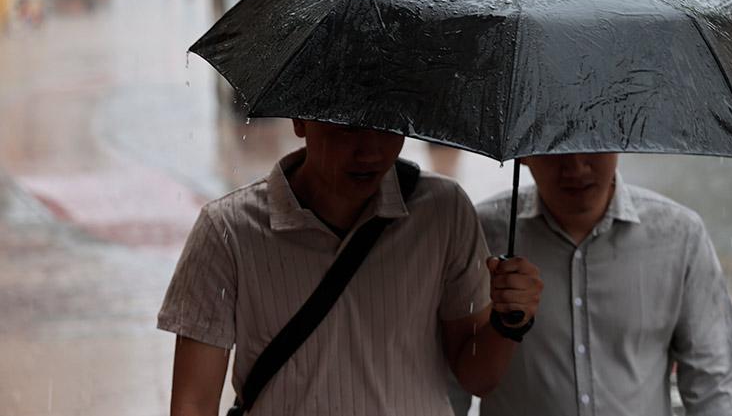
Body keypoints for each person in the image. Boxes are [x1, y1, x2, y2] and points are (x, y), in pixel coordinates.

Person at [159, 119, 543, 416]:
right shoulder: (227, 230)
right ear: (300, 120)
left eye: (387, 125)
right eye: (347, 127)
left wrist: (509, 321)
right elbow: (193, 403)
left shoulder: (444, 212)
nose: (369, 150)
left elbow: (477, 377)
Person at [451, 152, 732, 416]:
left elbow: (715, 381)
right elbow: (450, 383)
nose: (576, 167)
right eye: (557, 147)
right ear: (523, 154)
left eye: (591, 143)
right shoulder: (482, 234)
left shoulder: (678, 236)